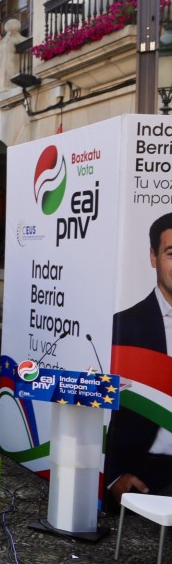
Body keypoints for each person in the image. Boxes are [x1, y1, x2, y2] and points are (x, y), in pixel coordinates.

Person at [108, 211, 172, 500]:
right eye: (171, 253)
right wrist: (113, 477)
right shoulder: (123, 325)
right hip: (147, 474)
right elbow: (104, 406)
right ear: (153, 257)